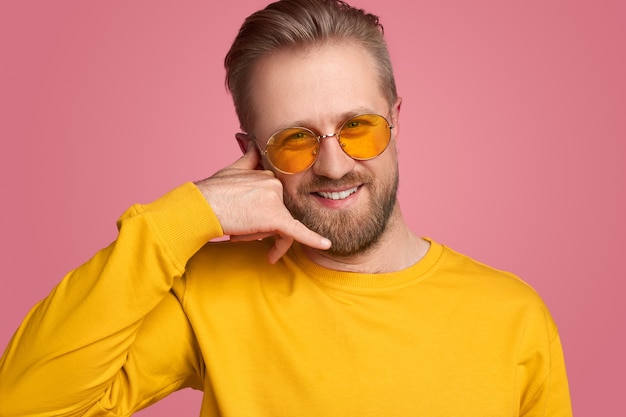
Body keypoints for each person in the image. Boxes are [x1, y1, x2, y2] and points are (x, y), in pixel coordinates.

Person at [0, 0, 572, 415]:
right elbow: (25, 403)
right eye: (295, 139)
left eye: (357, 127)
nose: (334, 165)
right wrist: (187, 215)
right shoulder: (210, 292)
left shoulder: (514, 316)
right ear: (251, 156)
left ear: (397, 122)